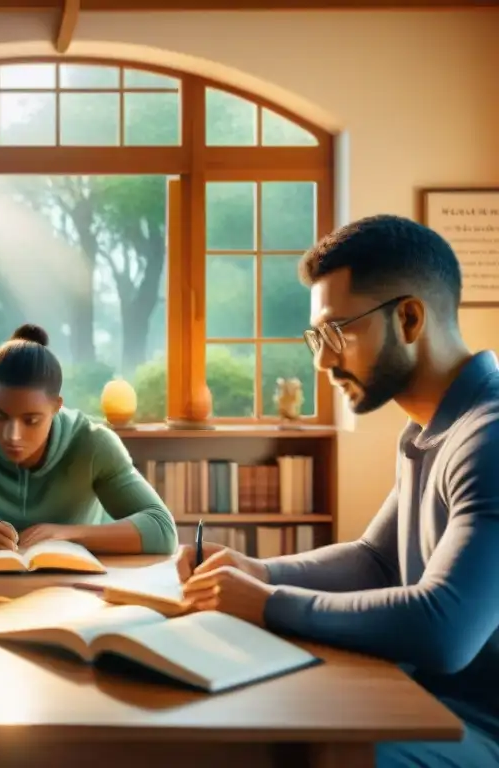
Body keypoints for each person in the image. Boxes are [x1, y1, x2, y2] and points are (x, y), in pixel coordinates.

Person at [173, 215, 499, 766]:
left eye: (336, 332)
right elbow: (375, 560)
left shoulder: (489, 437)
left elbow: (445, 629)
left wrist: (269, 604)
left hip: (474, 729)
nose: (322, 360)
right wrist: (261, 572)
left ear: (410, 318)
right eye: (316, 338)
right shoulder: (428, 428)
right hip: (419, 698)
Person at [0, 324, 177, 555]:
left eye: (31, 420)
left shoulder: (94, 444)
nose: (13, 435)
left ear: (56, 407)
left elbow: (162, 529)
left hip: (73, 593)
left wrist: (67, 534)